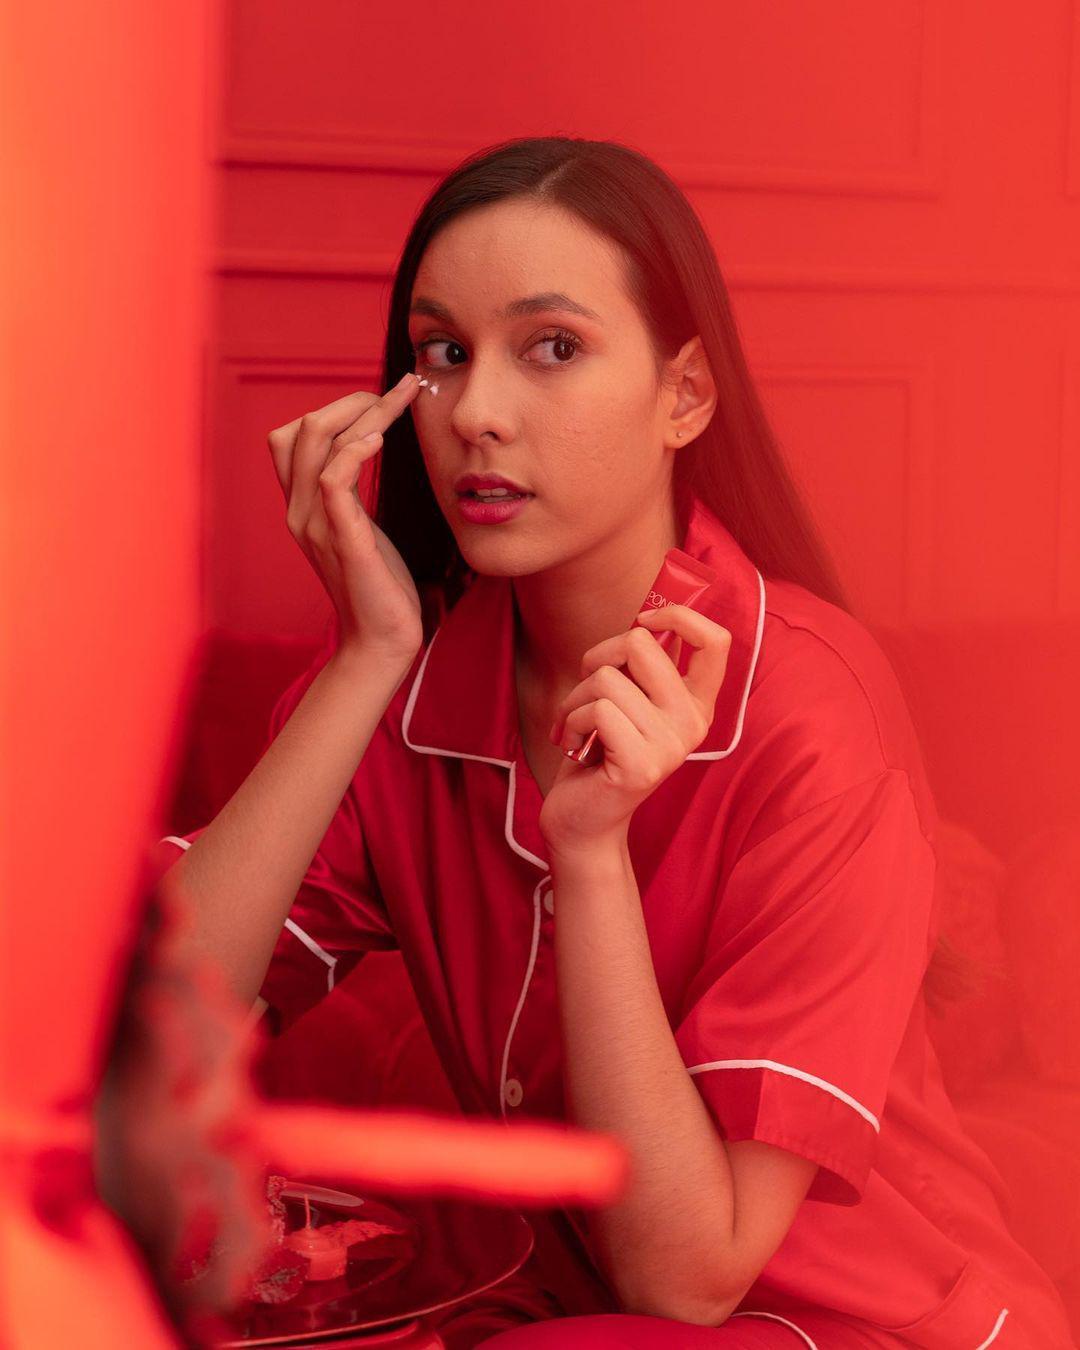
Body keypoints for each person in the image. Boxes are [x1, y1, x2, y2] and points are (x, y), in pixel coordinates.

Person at [153, 136, 1077, 1349]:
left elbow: (686, 1280)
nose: (477, 412)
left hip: (852, 1322)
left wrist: (587, 854)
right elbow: (150, 1023)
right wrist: (365, 658)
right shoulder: (413, 682)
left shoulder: (810, 705)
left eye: (554, 348)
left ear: (684, 394)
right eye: (443, 354)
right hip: (568, 1305)